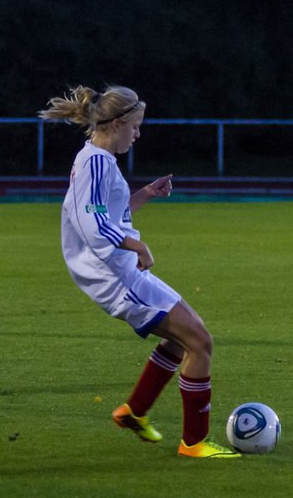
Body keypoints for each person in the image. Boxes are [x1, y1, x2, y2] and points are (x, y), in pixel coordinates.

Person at [40, 84, 240, 459]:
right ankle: (194, 444)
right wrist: (137, 245)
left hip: (117, 272)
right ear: (116, 124)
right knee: (200, 342)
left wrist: (145, 194)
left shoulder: (95, 159)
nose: (138, 133)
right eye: (134, 126)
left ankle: (134, 412)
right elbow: (92, 224)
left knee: (184, 340)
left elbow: (103, 214)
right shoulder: (97, 163)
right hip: (115, 277)